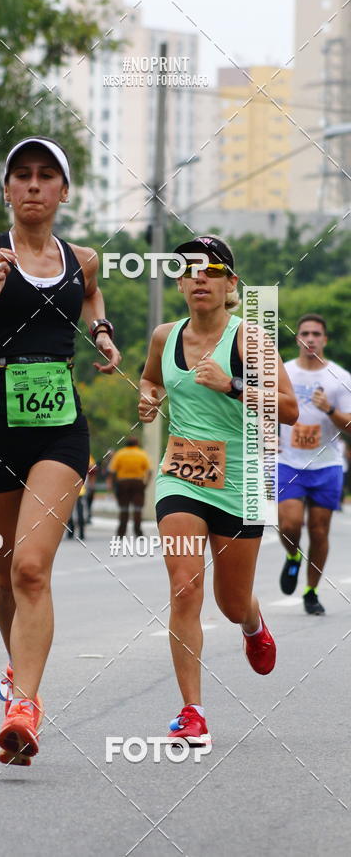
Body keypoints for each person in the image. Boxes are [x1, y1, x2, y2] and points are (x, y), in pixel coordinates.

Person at [0, 136, 120, 765]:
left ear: (63, 191)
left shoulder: (83, 259)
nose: (34, 185)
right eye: (22, 175)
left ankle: (24, 705)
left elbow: (90, 296)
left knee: (32, 568)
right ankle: (17, 666)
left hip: (59, 426)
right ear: (7, 189)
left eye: (46, 176)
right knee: (3, 568)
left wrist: (102, 333)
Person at [138, 234, 297, 746]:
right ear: (180, 285)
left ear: (231, 285)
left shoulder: (249, 339)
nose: (198, 278)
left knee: (231, 602)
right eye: (189, 271)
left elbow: (289, 410)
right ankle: (193, 712)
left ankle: (252, 624)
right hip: (182, 476)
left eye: (211, 271)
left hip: (244, 482)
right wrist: (148, 399)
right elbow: (150, 380)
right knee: (185, 586)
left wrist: (231, 385)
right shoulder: (165, 336)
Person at [277, 314, 351, 614]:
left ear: (325, 340)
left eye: (316, 334)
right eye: (305, 333)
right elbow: (261, 407)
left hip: (326, 465)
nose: (310, 339)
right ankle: (293, 556)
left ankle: (311, 591)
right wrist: (267, 435)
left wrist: (330, 409)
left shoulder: (339, 378)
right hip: (288, 461)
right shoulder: (283, 371)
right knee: (289, 524)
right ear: (297, 338)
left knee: (319, 532)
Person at [107, 436, 151, 537]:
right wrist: (145, 484)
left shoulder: (120, 454)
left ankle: (121, 533)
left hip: (123, 483)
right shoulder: (142, 454)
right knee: (138, 509)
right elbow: (149, 471)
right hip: (138, 483)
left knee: (124, 509)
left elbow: (112, 471)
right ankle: (138, 532)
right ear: (137, 444)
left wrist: (112, 484)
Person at [84, 454, 98, 523]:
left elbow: (93, 468)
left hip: (87, 484)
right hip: (83, 484)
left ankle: (88, 515)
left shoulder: (89, 457)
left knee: (88, 500)